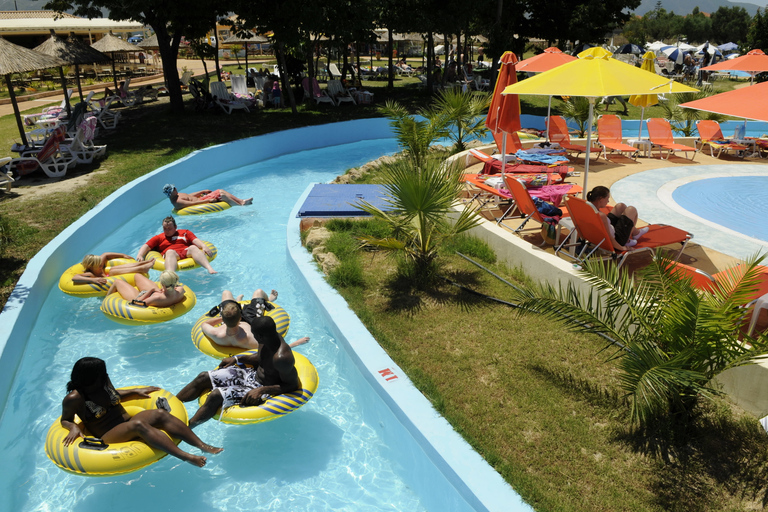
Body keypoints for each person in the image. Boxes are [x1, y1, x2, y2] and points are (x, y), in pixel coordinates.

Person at [60, 357, 222, 468]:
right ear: (90, 376)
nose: (105, 373)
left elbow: (114, 395)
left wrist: (137, 391)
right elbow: (65, 419)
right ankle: (187, 457)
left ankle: (202, 446)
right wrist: (73, 427)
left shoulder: (103, 381)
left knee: (160, 414)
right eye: (101, 372)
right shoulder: (74, 398)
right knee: (138, 425)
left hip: (127, 420)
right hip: (108, 434)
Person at [177, 316, 301, 428]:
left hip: (263, 387)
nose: (251, 335)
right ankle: (173, 405)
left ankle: (186, 429)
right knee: (203, 377)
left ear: (261, 336)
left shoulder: (282, 358)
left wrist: (262, 390)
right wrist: (237, 358)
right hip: (251, 374)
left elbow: (291, 385)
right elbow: (261, 358)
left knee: (216, 395)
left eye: (254, 334)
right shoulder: (267, 339)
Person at [202, 288, 309, 350]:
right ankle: (270, 300)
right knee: (258, 292)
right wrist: (296, 343)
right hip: (251, 321)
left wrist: (224, 318)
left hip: (229, 322)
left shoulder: (216, 333)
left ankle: (237, 301)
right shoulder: (251, 339)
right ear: (240, 316)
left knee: (226, 293)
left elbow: (204, 323)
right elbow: (274, 350)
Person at [136, 216, 217, 274]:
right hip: (172, 254)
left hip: (186, 251)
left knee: (193, 247)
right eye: (165, 228)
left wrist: (203, 246)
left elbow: (195, 240)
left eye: (169, 228)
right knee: (170, 251)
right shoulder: (159, 237)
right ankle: (171, 276)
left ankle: (209, 268)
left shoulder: (185, 232)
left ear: (175, 227)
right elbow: (146, 246)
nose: (167, 231)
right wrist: (140, 255)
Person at [586, 186, 649, 251]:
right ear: (601, 199)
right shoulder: (601, 216)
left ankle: (636, 232)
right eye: (607, 198)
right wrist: (622, 248)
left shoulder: (587, 208)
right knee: (631, 210)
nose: (608, 201)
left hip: (604, 233)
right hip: (617, 240)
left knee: (620, 206)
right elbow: (609, 237)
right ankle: (627, 241)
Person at [106, 270, 186, 308]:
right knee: (137, 275)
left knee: (117, 282)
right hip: (157, 292)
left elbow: (137, 302)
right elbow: (172, 290)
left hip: (140, 296)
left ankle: (106, 300)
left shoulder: (157, 298)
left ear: (162, 284)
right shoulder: (180, 290)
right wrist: (160, 290)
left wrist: (151, 291)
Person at [73, 252, 155, 285]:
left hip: (115, 275)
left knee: (113, 269)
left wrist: (122, 255)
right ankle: (142, 268)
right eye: (99, 265)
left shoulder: (98, 266)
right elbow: (75, 278)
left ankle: (141, 264)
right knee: (112, 272)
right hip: (110, 284)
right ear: (91, 266)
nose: (101, 265)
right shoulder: (90, 274)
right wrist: (93, 280)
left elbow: (105, 254)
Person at [162, 183, 252, 209]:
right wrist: (208, 201)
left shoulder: (177, 195)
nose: (176, 188)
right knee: (221, 193)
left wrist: (203, 191)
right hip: (201, 200)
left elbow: (189, 196)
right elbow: (193, 203)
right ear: (171, 193)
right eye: (174, 189)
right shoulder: (178, 202)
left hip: (201, 197)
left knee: (221, 191)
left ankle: (241, 201)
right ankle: (241, 205)